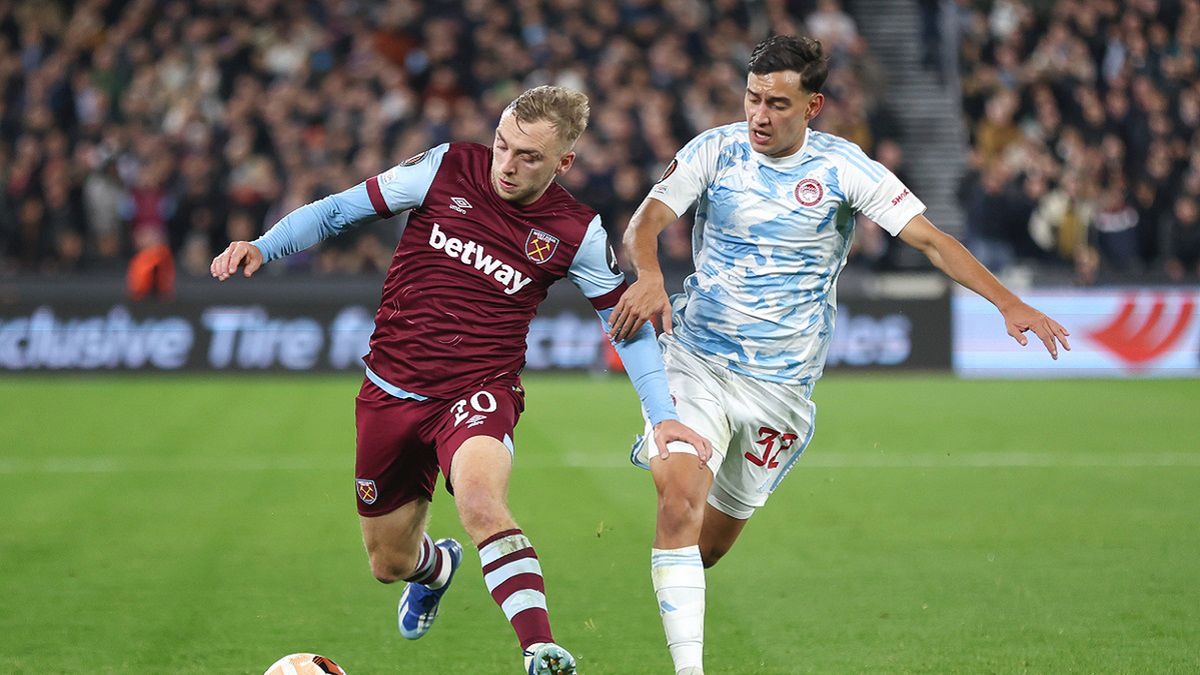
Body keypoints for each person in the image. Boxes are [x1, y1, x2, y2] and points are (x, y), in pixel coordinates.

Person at [607, 36, 1071, 675]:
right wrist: (651, 275)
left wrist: (1006, 302)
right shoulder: (714, 150)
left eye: (776, 103)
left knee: (707, 548)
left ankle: (681, 557)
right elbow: (646, 222)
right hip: (698, 359)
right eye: (751, 99)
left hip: (781, 391)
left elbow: (932, 242)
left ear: (813, 105)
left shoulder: (844, 169)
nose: (759, 116)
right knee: (678, 499)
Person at [211, 85, 710, 675]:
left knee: (479, 500)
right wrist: (264, 246)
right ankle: (435, 568)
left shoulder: (575, 233)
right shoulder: (446, 166)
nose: (507, 164)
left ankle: (539, 649)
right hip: (390, 390)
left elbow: (625, 327)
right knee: (388, 561)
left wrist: (663, 417)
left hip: (479, 391)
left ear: (564, 163)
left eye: (529, 156)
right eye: (503, 145)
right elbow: (339, 208)